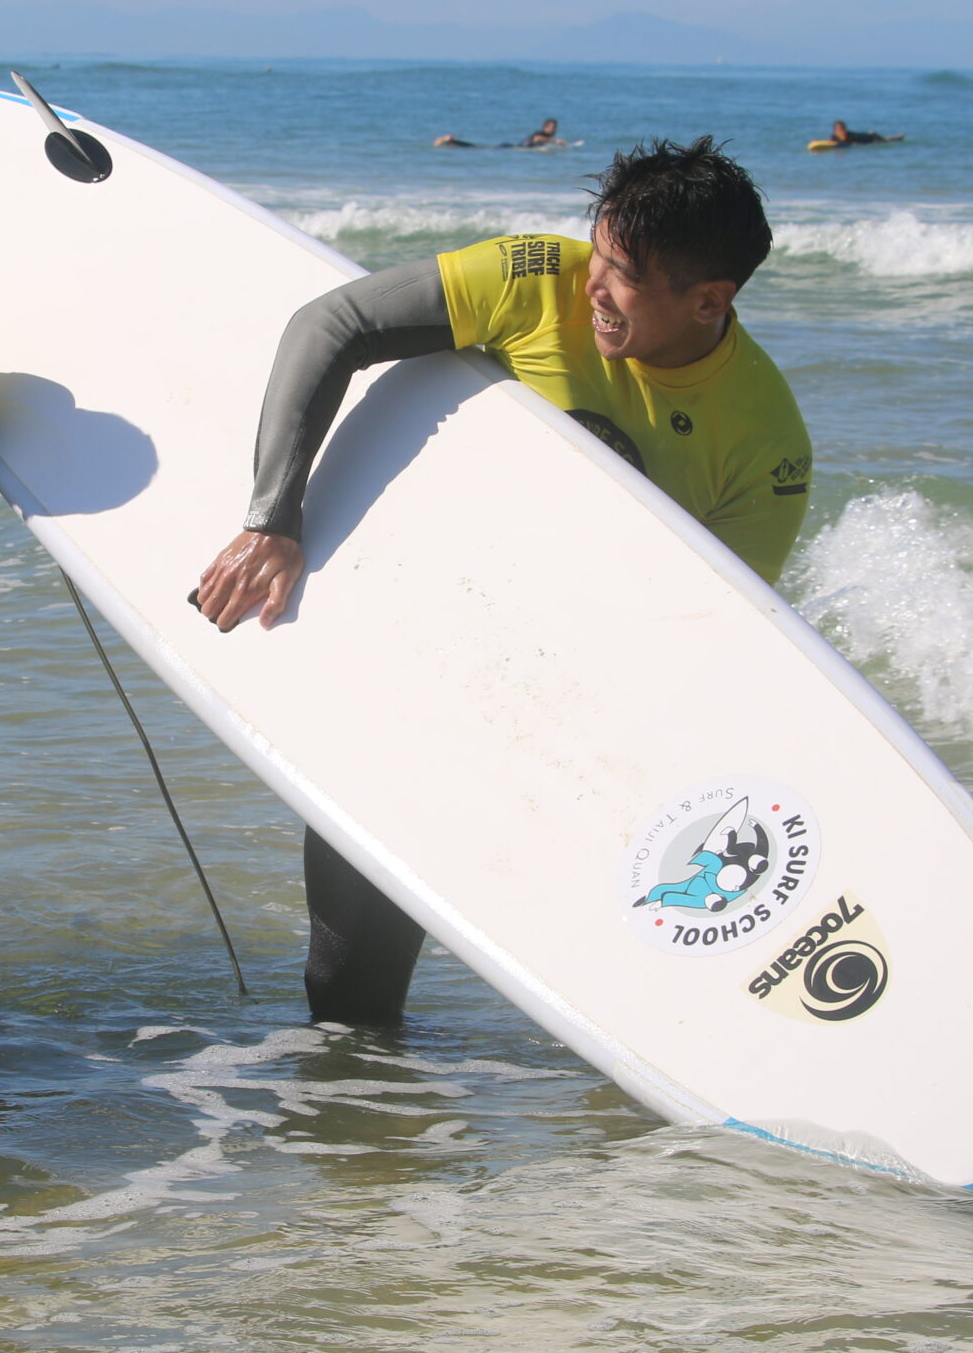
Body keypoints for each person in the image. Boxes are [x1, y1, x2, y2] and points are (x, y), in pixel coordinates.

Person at [193, 138, 812, 1026]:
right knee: (349, 986)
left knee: (615, 1004)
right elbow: (329, 326)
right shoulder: (535, 279)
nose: (593, 284)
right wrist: (272, 519)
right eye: (596, 251)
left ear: (710, 298)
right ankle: (362, 1142)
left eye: (625, 274)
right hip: (425, 652)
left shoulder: (765, 443)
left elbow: (711, 640)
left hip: (581, 710)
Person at [434, 118, 564, 150]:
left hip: (510, 146)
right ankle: (449, 141)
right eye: (553, 128)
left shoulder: (544, 135)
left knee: (476, 148)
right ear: (545, 127)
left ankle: (451, 142)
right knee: (476, 148)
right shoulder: (541, 134)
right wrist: (556, 141)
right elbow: (537, 138)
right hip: (511, 148)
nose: (555, 130)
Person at [829, 121, 902, 146]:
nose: (841, 130)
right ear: (835, 130)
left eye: (842, 128)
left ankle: (898, 138)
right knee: (885, 139)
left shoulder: (849, 135)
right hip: (867, 136)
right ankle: (895, 137)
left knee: (885, 142)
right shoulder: (834, 136)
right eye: (839, 129)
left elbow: (854, 143)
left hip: (870, 137)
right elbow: (828, 142)